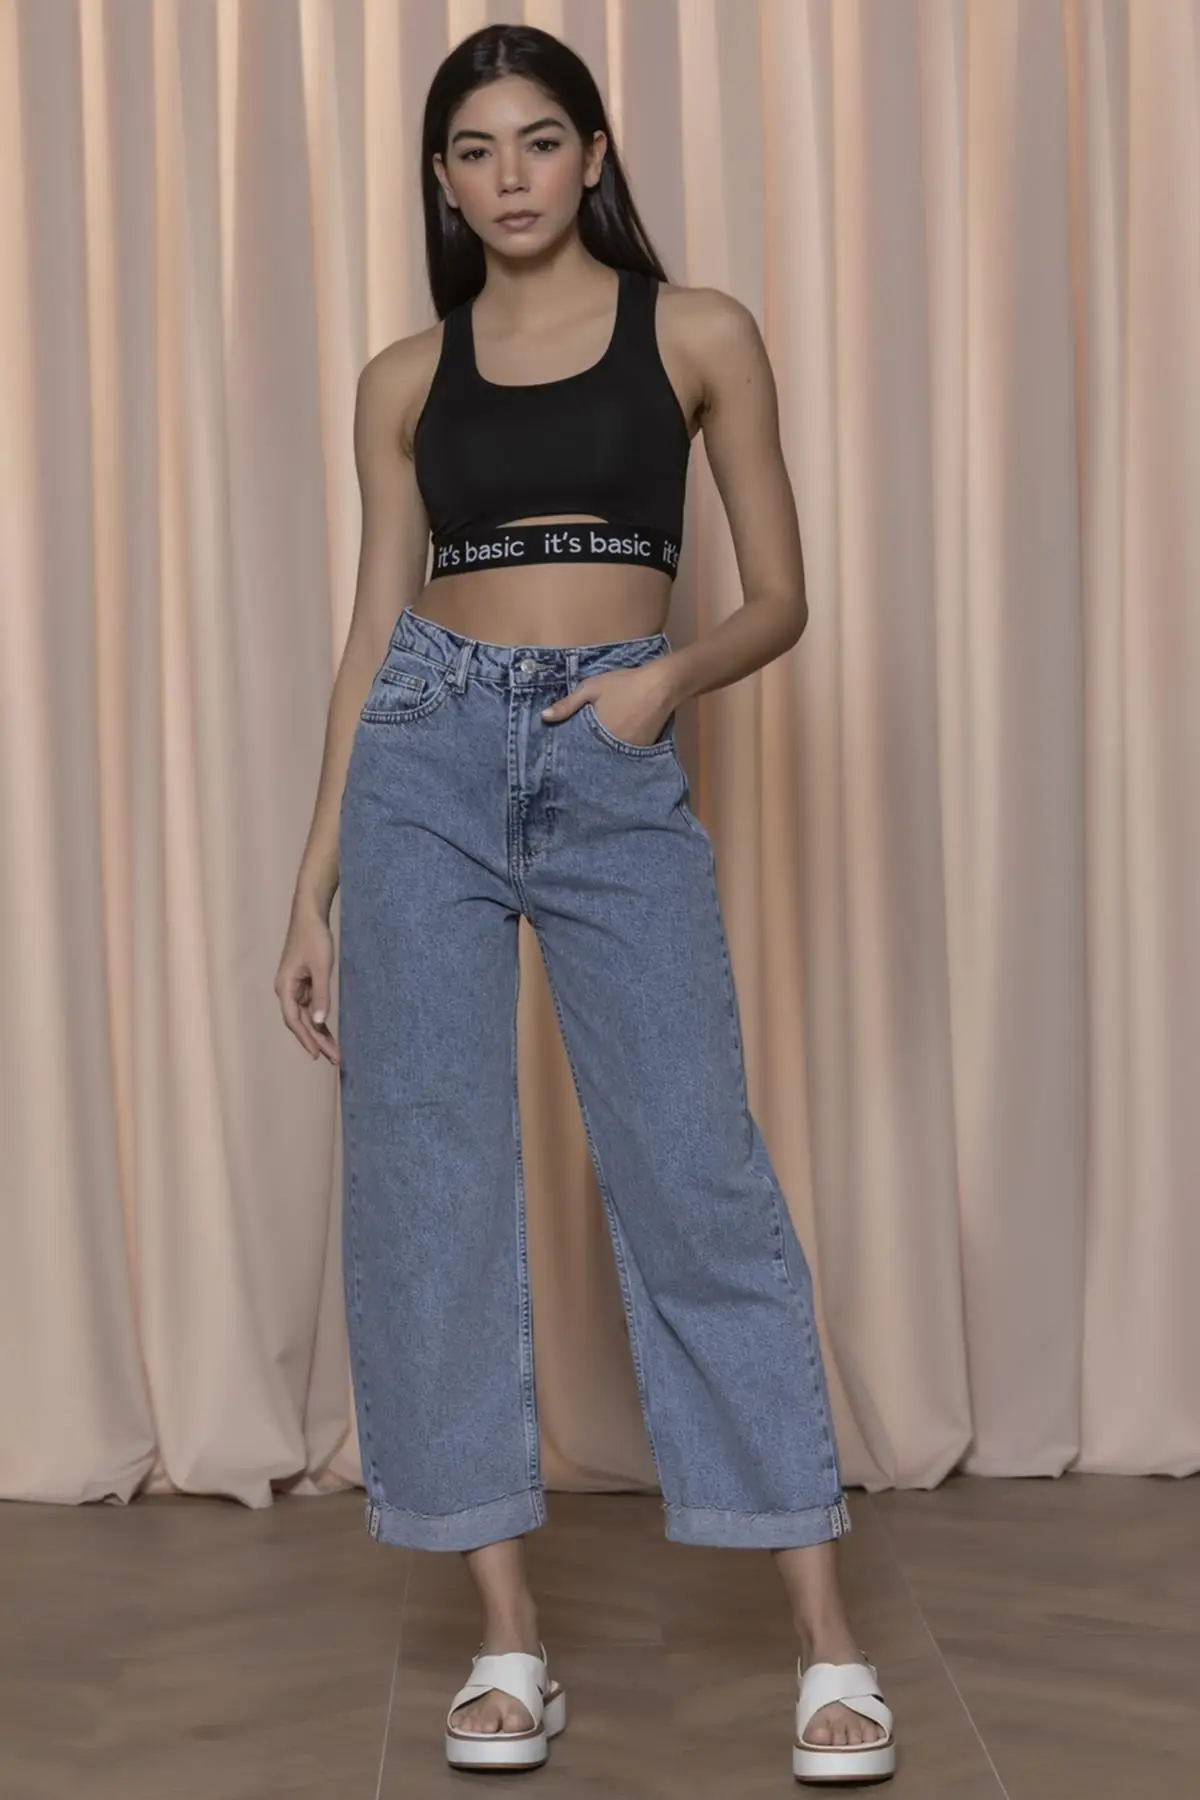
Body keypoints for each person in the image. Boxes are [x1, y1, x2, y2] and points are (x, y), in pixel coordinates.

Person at [275, 21, 896, 1789]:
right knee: (428, 1192)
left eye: (540, 141)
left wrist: (663, 684)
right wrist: (311, 883)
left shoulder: (697, 334)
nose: (511, 177)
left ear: (597, 153)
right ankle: (507, 1637)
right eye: (475, 151)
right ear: (442, 180)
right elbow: (372, 629)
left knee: (698, 1178)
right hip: (423, 761)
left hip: (612, 756)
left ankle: (829, 1646)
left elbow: (779, 595)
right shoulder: (405, 378)